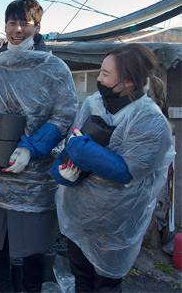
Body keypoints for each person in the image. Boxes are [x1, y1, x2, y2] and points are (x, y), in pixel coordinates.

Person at [0, 0, 78, 292]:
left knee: (33, 249)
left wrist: (31, 147)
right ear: (4, 27)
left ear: (37, 27)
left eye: (24, 23)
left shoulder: (55, 68)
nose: (17, 30)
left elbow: (64, 113)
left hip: (34, 180)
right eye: (11, 23)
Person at [52, 43, 175, 292]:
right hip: (78, 218)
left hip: (115, 228)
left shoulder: (150, 121)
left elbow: (126, 172)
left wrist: (81, 150)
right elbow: (71, 145)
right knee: (82, 281)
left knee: (106, 285)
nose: (98, 79)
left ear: (129, 82)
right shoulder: (93, 104)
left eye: (105, 75)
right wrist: (62, 170)